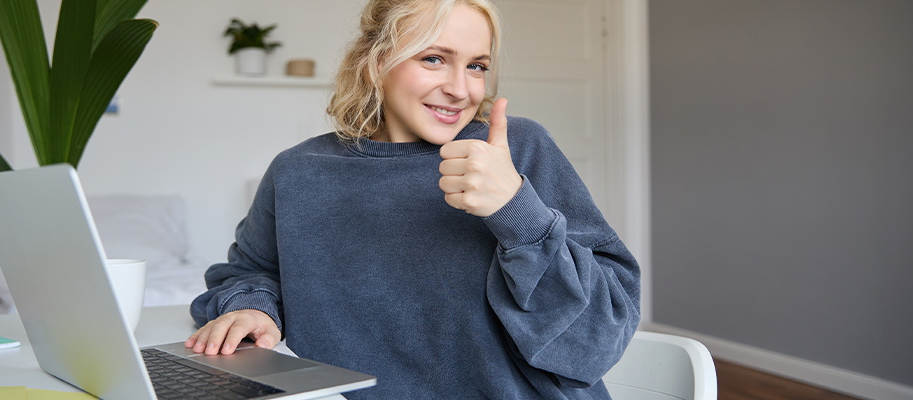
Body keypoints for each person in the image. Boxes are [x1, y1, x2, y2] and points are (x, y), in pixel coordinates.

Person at [187, 0, 640, 398]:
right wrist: (252, 308)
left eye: (477, 66)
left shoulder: (518, 150)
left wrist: (517, 212)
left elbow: (597, 341)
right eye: (434, 58)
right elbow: (250, 272)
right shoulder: (297, 170)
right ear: (375, 61)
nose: (461, 89)